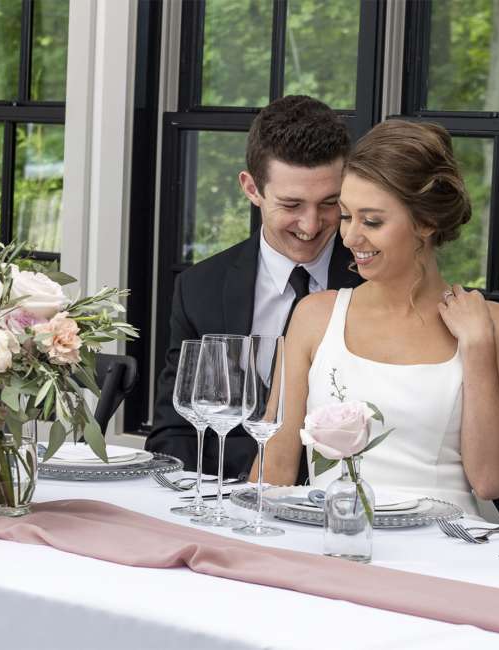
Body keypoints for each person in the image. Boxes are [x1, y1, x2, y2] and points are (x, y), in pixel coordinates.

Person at [259, 120, 499, 515]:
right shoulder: (315, 316)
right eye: (347, 216)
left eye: (372, 221)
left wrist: (477, 346)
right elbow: (274, 466)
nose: (349, 238)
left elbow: (490, 480)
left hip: (442, 549)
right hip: (331, 544)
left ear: (425, 223)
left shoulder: (494, 326)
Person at [146, 95, 361, 478]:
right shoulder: (200, 288)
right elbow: (174, 430)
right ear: (251, 188)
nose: (311, 225)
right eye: (292, 205)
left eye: (330, 202)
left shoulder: (370, 282)